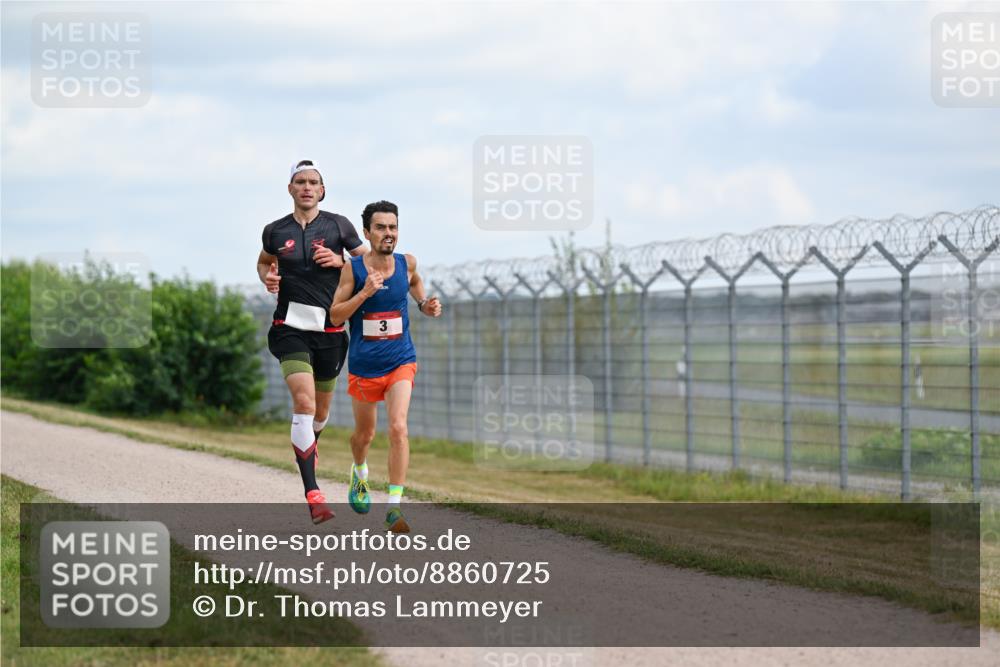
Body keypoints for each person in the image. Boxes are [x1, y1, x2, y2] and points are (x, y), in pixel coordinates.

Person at [257, 160, 366, 524]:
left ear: (322, 190)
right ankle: (313, 493)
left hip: (331, 331)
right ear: (290, 188)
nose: (307, 187)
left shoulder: (339, 226)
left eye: (313, 182)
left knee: (320, 413)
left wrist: (340, 261)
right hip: (289, 328)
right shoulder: (275, 231)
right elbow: (263, 262)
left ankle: (311, 444)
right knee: (303, 403)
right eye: (300, 181)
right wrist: (268, 278)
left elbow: (369, 266)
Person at [329, 200, 442, 533]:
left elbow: (416, 283)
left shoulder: (407, 263)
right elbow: (336, 315)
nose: (388, 233)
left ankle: (394, 508)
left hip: (400, 360)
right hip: (365, 366)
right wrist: (363, 293)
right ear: (367, 232)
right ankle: (360, 472)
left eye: (392, 227)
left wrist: (424, 304)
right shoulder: (354, 270)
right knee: (365, 436)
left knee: (398, 428)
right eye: (380, 227)